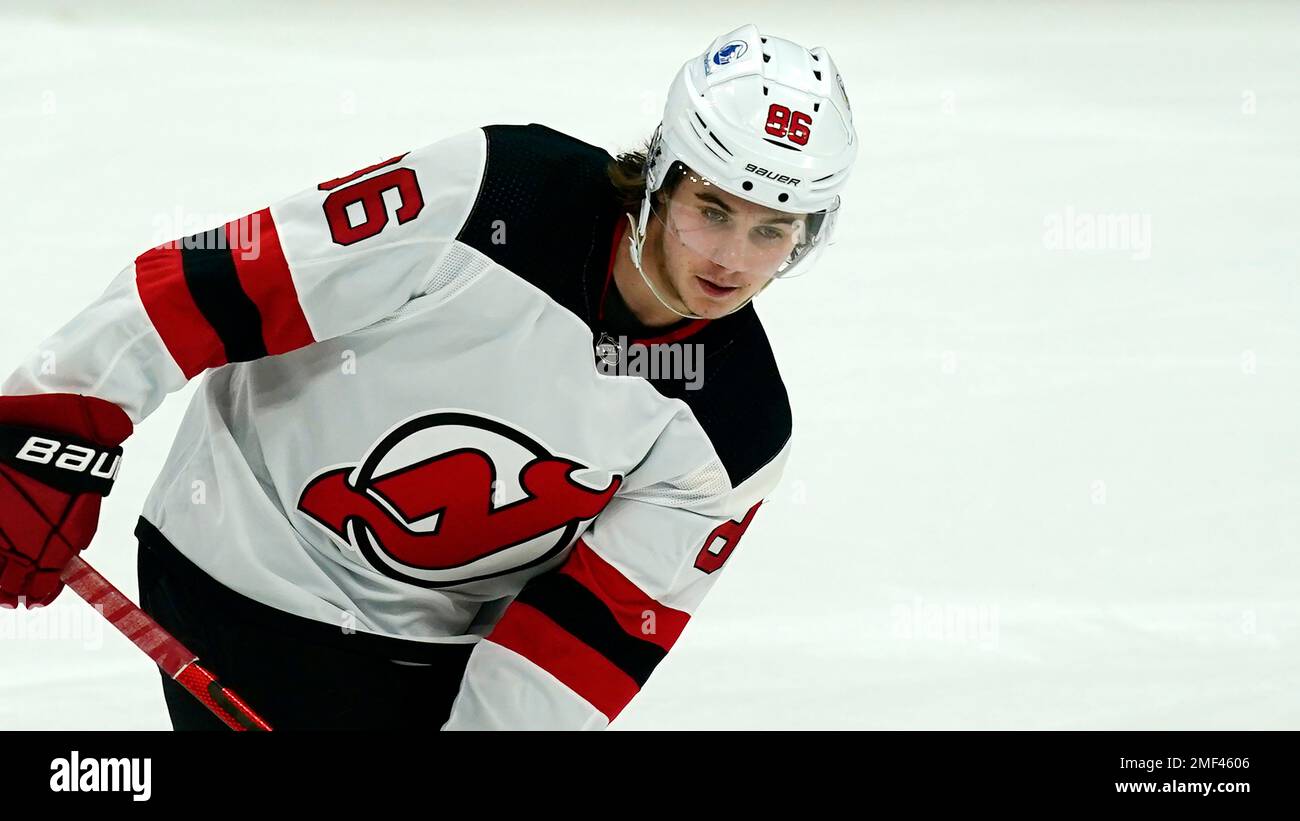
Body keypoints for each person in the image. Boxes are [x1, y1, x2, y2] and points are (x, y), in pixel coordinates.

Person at [0, 23, 857, 730]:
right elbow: (224, 282)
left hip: (422, 661)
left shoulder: (737, 429)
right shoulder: (496, 197)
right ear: (661, 178)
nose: (732, 260)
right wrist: (51, 422)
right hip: (238, 562)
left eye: (773, 230)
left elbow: (582, 645)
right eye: (712, 209)